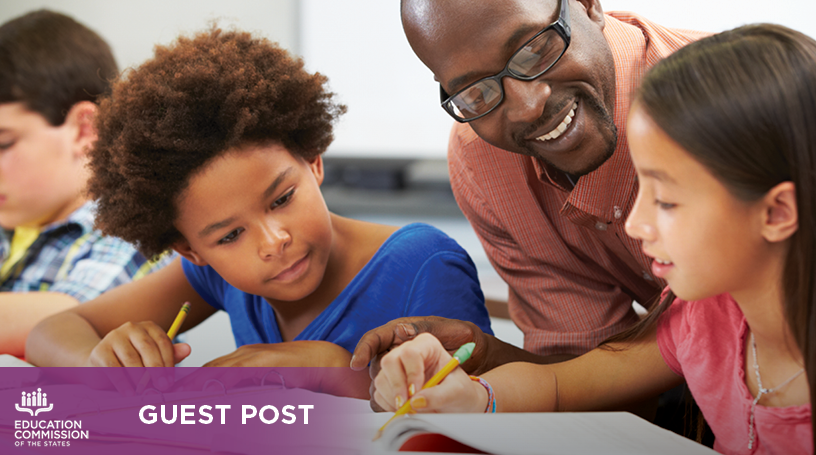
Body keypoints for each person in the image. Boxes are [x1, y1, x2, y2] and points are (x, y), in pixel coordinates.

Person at [350, 0, 816, 378]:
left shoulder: (775, 118)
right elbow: (591, 373)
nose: (526, 105)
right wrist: (485, 356)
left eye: (535, 48)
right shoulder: (484, 161)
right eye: (476, 91)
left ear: (585, 4)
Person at [372, 23, 816, 454]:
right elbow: (563, 383)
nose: (635, 225)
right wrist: (475, 398)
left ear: (778, 211)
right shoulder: (709, 317)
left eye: (666, 201)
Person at [25, 27, 493, 398]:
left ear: (313, 160)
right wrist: (102, 363)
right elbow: (53, 330)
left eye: (282, 199)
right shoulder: (214, 276)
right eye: (229, 236)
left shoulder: (423, 265)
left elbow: (473, 408)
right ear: (190, 249)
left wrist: (331, 372)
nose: (273, 242)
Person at [0, 10, 171, 357]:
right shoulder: (14, 219)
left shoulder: (135, 228)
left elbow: (75, 320)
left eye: (4, 144)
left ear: (84, 130)